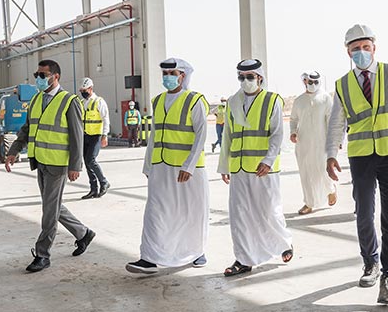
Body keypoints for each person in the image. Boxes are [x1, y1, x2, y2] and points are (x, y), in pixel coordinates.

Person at [326, 24, 388, 304]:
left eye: (365, 47)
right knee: (364, 212)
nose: (361, 52)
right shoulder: (342, 84)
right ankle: (370, 261)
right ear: (347, 52)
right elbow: (337, 122)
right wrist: (330, 154)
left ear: (374, 48)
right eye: (355, 49)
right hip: (361, 157)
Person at [4, 59, 95, 273]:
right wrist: (13, 150)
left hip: (59, 164)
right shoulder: (36, 100)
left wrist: (76, 165)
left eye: (43, 75)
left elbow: (76, 136)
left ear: (56, 77)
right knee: (52, 205)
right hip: (40, 161)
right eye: (37, 75)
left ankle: (42, 254)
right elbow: (26, 130)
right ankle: (83, 234)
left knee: (49, 210)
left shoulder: (69, 101)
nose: (38, 79)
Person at [126, 58, 209, 274]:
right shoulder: (158, 100)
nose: (167, 77)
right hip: (161, 166)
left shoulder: (195, 100)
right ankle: (149, 258)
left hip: (188, 170)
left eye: (172, 73)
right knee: (155, 211)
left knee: (191, 212)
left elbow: (201, 135)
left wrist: (189, 165)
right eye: (165, 73)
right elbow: (154, 136)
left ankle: (197, 251)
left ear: (183, 75)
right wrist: (147, 165)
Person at [218, 59, 293, 277]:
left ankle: (284, 243)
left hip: (263, 169)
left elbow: (277, 133)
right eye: (241, 77)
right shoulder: (232, 101)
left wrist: (268, 160)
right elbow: (227, 136)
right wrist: (225, 165)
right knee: (239, 215)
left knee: (268, 211)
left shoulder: (272, 101)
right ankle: (243, 259)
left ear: (260, 77)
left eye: (250, 77)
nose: (245, 81)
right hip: (239, 168)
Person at [290, 70, 337, 215]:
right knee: (305, 172)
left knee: (323, 169)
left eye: (316, 82)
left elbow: (331, 119)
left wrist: (334, 140)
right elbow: (293, 119)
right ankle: (309, 203)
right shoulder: (299, 100)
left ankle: (330, 189)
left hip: (322, 141)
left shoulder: (325, 98)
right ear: (305, 82)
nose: (313, 84)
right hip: (303, 142)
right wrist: (293, 132)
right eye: (310, 82)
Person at [79, 77, 111, 199]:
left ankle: (104, 182)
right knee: (87, 163)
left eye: (85, 90)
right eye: (81, 90)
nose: (83, 92)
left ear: (91, 88)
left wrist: (105, 135)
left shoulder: (99, 101)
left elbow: (105, 119)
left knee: (90, 160)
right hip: (85, 136)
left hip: (96, 136)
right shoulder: (82, 102)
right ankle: (93, 189)